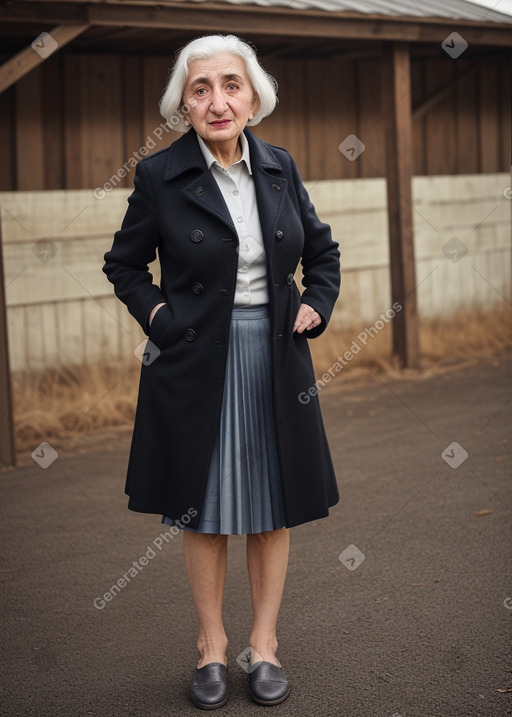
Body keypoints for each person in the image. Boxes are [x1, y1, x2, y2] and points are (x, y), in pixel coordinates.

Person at [103, 33, 340, 710]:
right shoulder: (158, 175)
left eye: (230, 84)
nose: (217, 100)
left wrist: (315, 306)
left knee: (272, 508)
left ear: (252, 95)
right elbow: (124, 265)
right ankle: (211, 646)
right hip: (193, 359)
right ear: (184, 102)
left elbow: (322, 253)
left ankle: (264, 646)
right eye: (201, 87)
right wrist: (159, 319)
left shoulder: (281, 167)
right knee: (201, 509)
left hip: (273, 357)